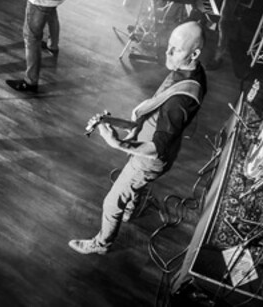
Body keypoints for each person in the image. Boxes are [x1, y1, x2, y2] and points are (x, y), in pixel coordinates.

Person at [68, 21, 207, 255]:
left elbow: (158, 148)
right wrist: (125, 125)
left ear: (194, 54)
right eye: (169, 46)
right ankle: (130, 210)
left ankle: (101, 244)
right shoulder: (194, 73)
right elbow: (161, 117)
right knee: (136, 186)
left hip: (149, 158)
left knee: (111, 203)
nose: (167, 52)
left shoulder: (178, 102)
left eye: (176, 50)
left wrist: (117, 143)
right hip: (158, 147)